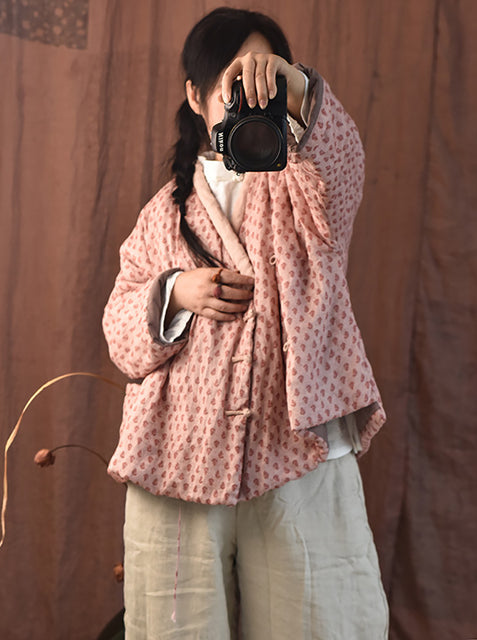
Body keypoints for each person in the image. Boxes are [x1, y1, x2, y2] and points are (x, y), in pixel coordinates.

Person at [103, 7, 389, 639]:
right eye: (233, 84)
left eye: (266, 83)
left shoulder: (312, 187)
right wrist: (177, 292)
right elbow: (121, 331)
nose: (247, 98)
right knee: (178, 626)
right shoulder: (163, 213)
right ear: (195, 97)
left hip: (301, 451)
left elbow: (344, 156)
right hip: (177, 458)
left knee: (319, 618)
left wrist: (296, 84)